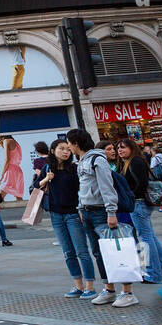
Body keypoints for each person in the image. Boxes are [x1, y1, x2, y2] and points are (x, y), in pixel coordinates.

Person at [66, 128, 137, 308]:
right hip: (88, 211)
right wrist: (81, 208)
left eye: (69, 143)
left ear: (76, 143)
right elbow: (83, 188)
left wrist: (111, 212)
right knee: (99, 253)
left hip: (102, 212)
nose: (68, 147)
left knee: (115, 251)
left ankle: (127, 292)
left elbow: (107, 187)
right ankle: (109, 289)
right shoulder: (82, 161)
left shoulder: (98, 160)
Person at [38, 139, 95, 298]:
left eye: (68, 149)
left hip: (73, 214)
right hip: (56, 215)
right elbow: (36, 186)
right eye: (61, 149)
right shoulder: (47, 168)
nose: (66, 152)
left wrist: (82, 210)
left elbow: (82, 191)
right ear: (52, 150)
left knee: (81, 251)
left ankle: (90, 286)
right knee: (68, 252)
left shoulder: (74, 169)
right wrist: (46, 179)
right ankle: (78, 286)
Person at [116, 138, 162, 285]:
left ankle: (154, 275)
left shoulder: (135, 162)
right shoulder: (130, 162)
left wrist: (131, 197)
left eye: (123, 147)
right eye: (118, 148)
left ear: (131, 148)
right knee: (151, 238)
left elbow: (141, 183)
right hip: (139, 203)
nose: (120, 150)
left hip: (139, 204)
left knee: (146, 239)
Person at [0, 135, 26, 205]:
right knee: (18, 197)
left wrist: (2, 175)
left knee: (0, 197)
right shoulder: (15, 142)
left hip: (10, 170)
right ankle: (22, 214)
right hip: (18, 170)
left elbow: (7, 159)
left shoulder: (6, 141)